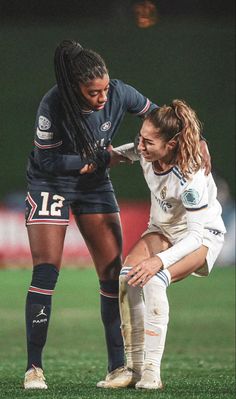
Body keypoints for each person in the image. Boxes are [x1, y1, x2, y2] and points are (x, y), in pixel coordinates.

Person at [23, 39, 211, 389]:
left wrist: (194, 138)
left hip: (94, 184)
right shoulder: (53, 105)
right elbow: (47, 160)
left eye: (106, 88)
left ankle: (117, 368)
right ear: (75, 88)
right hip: (51, 183)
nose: (104, 98)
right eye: (94, 92)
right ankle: (34, 368)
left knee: (112, 276)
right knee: (46, 271)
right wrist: (95, 160)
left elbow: (160, 119)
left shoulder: (120, 93)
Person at [100, 99, 226, 389]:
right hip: (162, 229)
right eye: (139, 138)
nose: (141, 146)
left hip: (202, 236)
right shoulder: (146, 152)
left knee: (154, 279)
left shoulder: (190, 176)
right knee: (128, 278)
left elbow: (195, 237)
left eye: (148, 142)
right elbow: (125, 154)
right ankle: (132, 369)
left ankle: (152, 372)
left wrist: (159, 260)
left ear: (171, 145)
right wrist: (104, 157)